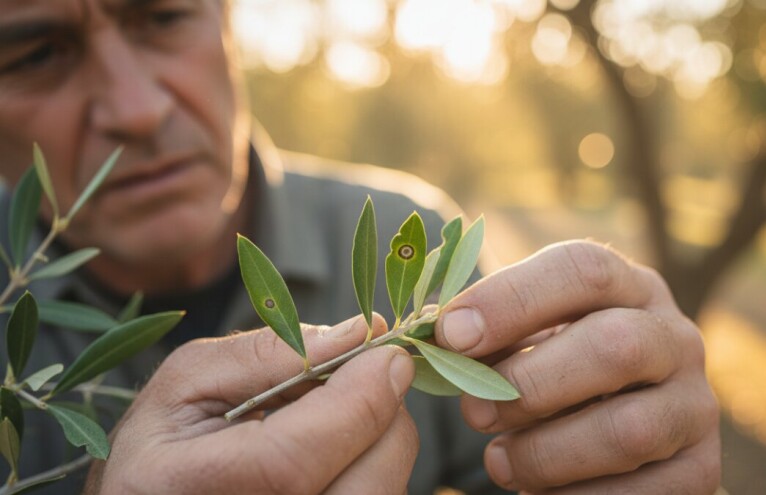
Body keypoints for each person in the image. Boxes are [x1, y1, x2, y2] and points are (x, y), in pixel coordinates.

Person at [0, 1, 720, 494]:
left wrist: (632, 441)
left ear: (227, 22)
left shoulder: (412, 238)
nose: (137, 108)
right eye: (35, 54)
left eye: (162, 17)